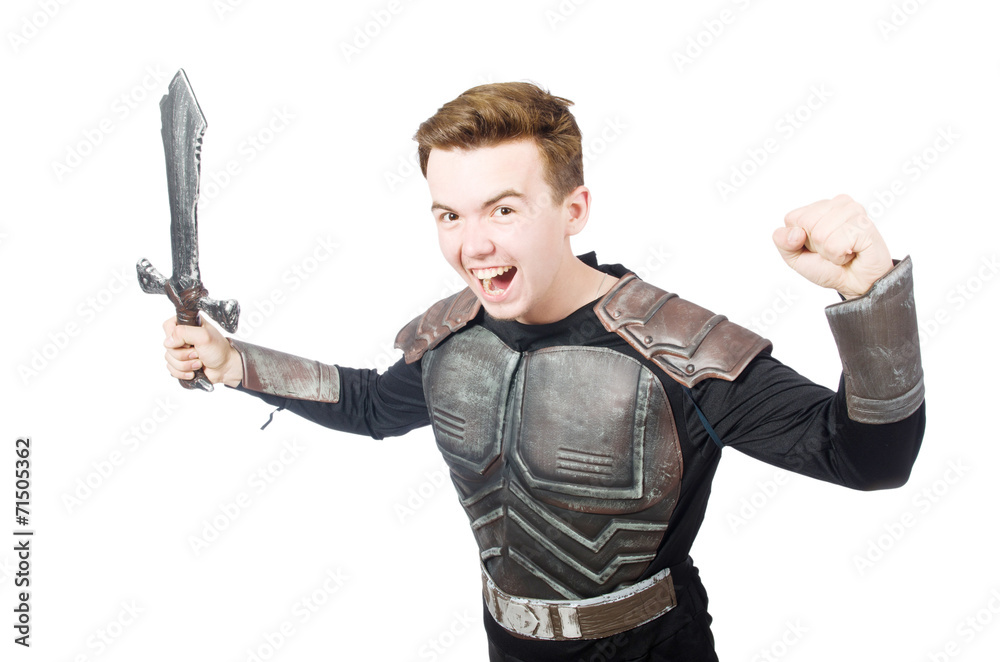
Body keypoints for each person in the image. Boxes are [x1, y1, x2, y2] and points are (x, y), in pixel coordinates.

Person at [161, 82, 925, 661]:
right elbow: (369, 406)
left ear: (573, 208)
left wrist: (873, 297)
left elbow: (869, 459)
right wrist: (236, 362)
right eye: (449, 214)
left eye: (503, 210)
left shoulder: (680, 350)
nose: (473, 246)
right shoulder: (451, 336)